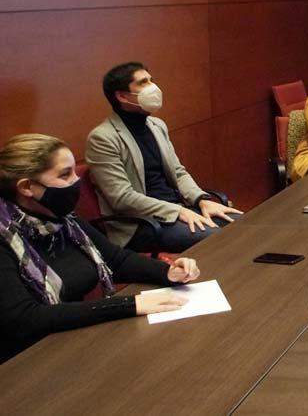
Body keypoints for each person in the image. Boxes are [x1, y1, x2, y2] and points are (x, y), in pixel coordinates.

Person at [0, 134, 199, 363]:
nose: (76, 181)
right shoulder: (5, 237)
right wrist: (129, 304)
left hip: (71, 339)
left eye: (75, 171)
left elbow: (116, 260)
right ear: (27, 187)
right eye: (65, 175)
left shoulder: (62, 220)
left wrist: (167, 271)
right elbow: (26, 318)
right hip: (25, 361)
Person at [86, 62, 241, 253]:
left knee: (244, 225)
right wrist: (178, 212)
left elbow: (177, 171)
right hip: (141, 224)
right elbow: (121, 197)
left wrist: (202, 199)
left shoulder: (157, 125)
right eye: (143, 83)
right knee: (219, 239)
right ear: (121, 96)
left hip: (178, 209)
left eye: (151, 80)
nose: (153, 87)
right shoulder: (103, 137)